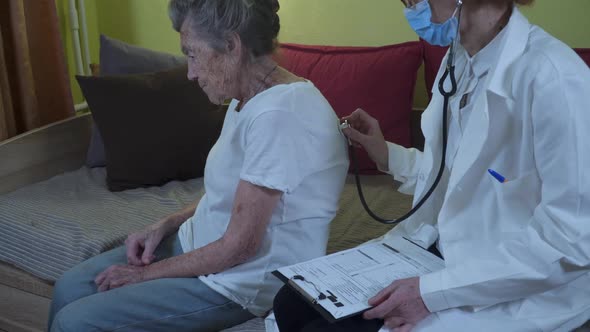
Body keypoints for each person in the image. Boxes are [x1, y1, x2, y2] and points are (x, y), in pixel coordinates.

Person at [273, 0, 590, 331]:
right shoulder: (459, 62)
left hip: (514, 279)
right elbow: (459, 175)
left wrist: (432, 293)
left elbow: (570, 240)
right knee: (290, 303)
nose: (410, 6)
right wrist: (387, 155)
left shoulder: (555, 78)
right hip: (443, 249)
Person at [48, 0, 349, 331]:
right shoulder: (247, 95)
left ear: (232, 46)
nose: (190, 72)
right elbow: (233, 195)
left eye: (192, 53)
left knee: (74, 322)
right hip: (200, 245)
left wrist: (143, 275)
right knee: (69, 287)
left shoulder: (279, 115)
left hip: (238, 281)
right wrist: (168, 223)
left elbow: (241, 245)